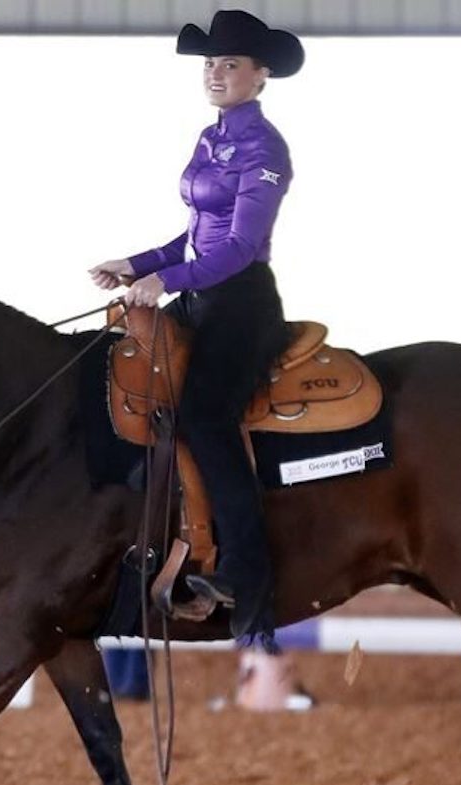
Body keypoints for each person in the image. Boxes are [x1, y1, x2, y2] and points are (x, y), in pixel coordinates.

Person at [88, 10, 303, 641]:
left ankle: (244, 569)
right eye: (210, 63)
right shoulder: (211, 139)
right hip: (200, 295)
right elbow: (194, 235)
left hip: (240, 305)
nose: (215, 73)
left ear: (260, 76)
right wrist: (138, 264)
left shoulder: (265, 149)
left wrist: (167, 281)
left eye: (230, 64)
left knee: (206, 418)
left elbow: (238, 246)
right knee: (127, 384)